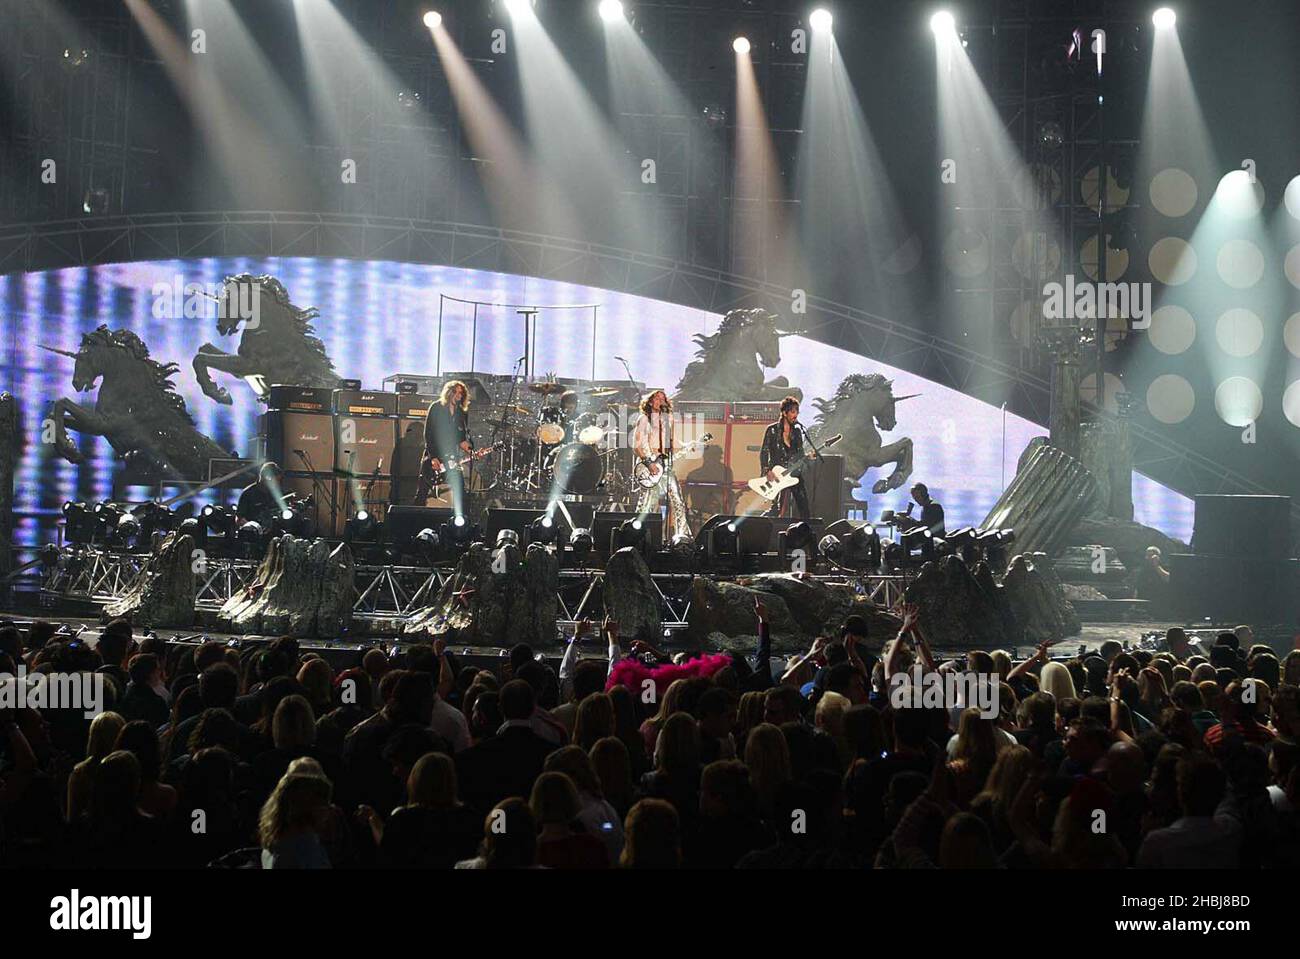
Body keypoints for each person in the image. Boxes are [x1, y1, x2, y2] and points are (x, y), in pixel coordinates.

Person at [631, 389, 692, 543]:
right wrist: (649, 463)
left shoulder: (668, 419)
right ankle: (637, 536)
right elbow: (636, 446)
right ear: (650, 401)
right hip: (649, 464)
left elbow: (672, 443)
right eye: (657, 398)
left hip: (664, 465)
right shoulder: (644, 419)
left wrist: (688, 445)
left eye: (662, 398)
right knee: (647, 504)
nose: (660, 401)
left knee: (678, 501)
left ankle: (682, 537)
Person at [414, 379, 473, 507]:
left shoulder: (461, 412)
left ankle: (460, 522)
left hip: (452, 458)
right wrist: (433, 457)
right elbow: (428, 434)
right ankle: (416, 518)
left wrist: (472, 451)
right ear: (448, 392)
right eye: (455, 392)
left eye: (461, 393)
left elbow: (461, 439)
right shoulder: (436, 407)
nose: (458, 395)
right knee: (423, 491)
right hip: (434, 455)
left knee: (461, 491)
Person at [759, 395, 814, 520]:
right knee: (776, 509)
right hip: (777, 474)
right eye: (793, 412)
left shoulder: (797, 432)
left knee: (803, 505)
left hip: (793, 473)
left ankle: (806, 530)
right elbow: (764, 452)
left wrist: (807, 457)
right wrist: (767, 470)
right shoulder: (772, 430)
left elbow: (799, 454)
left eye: (797, 412)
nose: (795, 416)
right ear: (784, 412)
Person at [236, 461, 288, 528]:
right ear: (267, 478)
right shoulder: (248, 493)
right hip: (254, 534)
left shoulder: (280, 493)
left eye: (279, 480)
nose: (277, 483)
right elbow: (239, 518)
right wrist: (252, 527)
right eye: (276, 480)